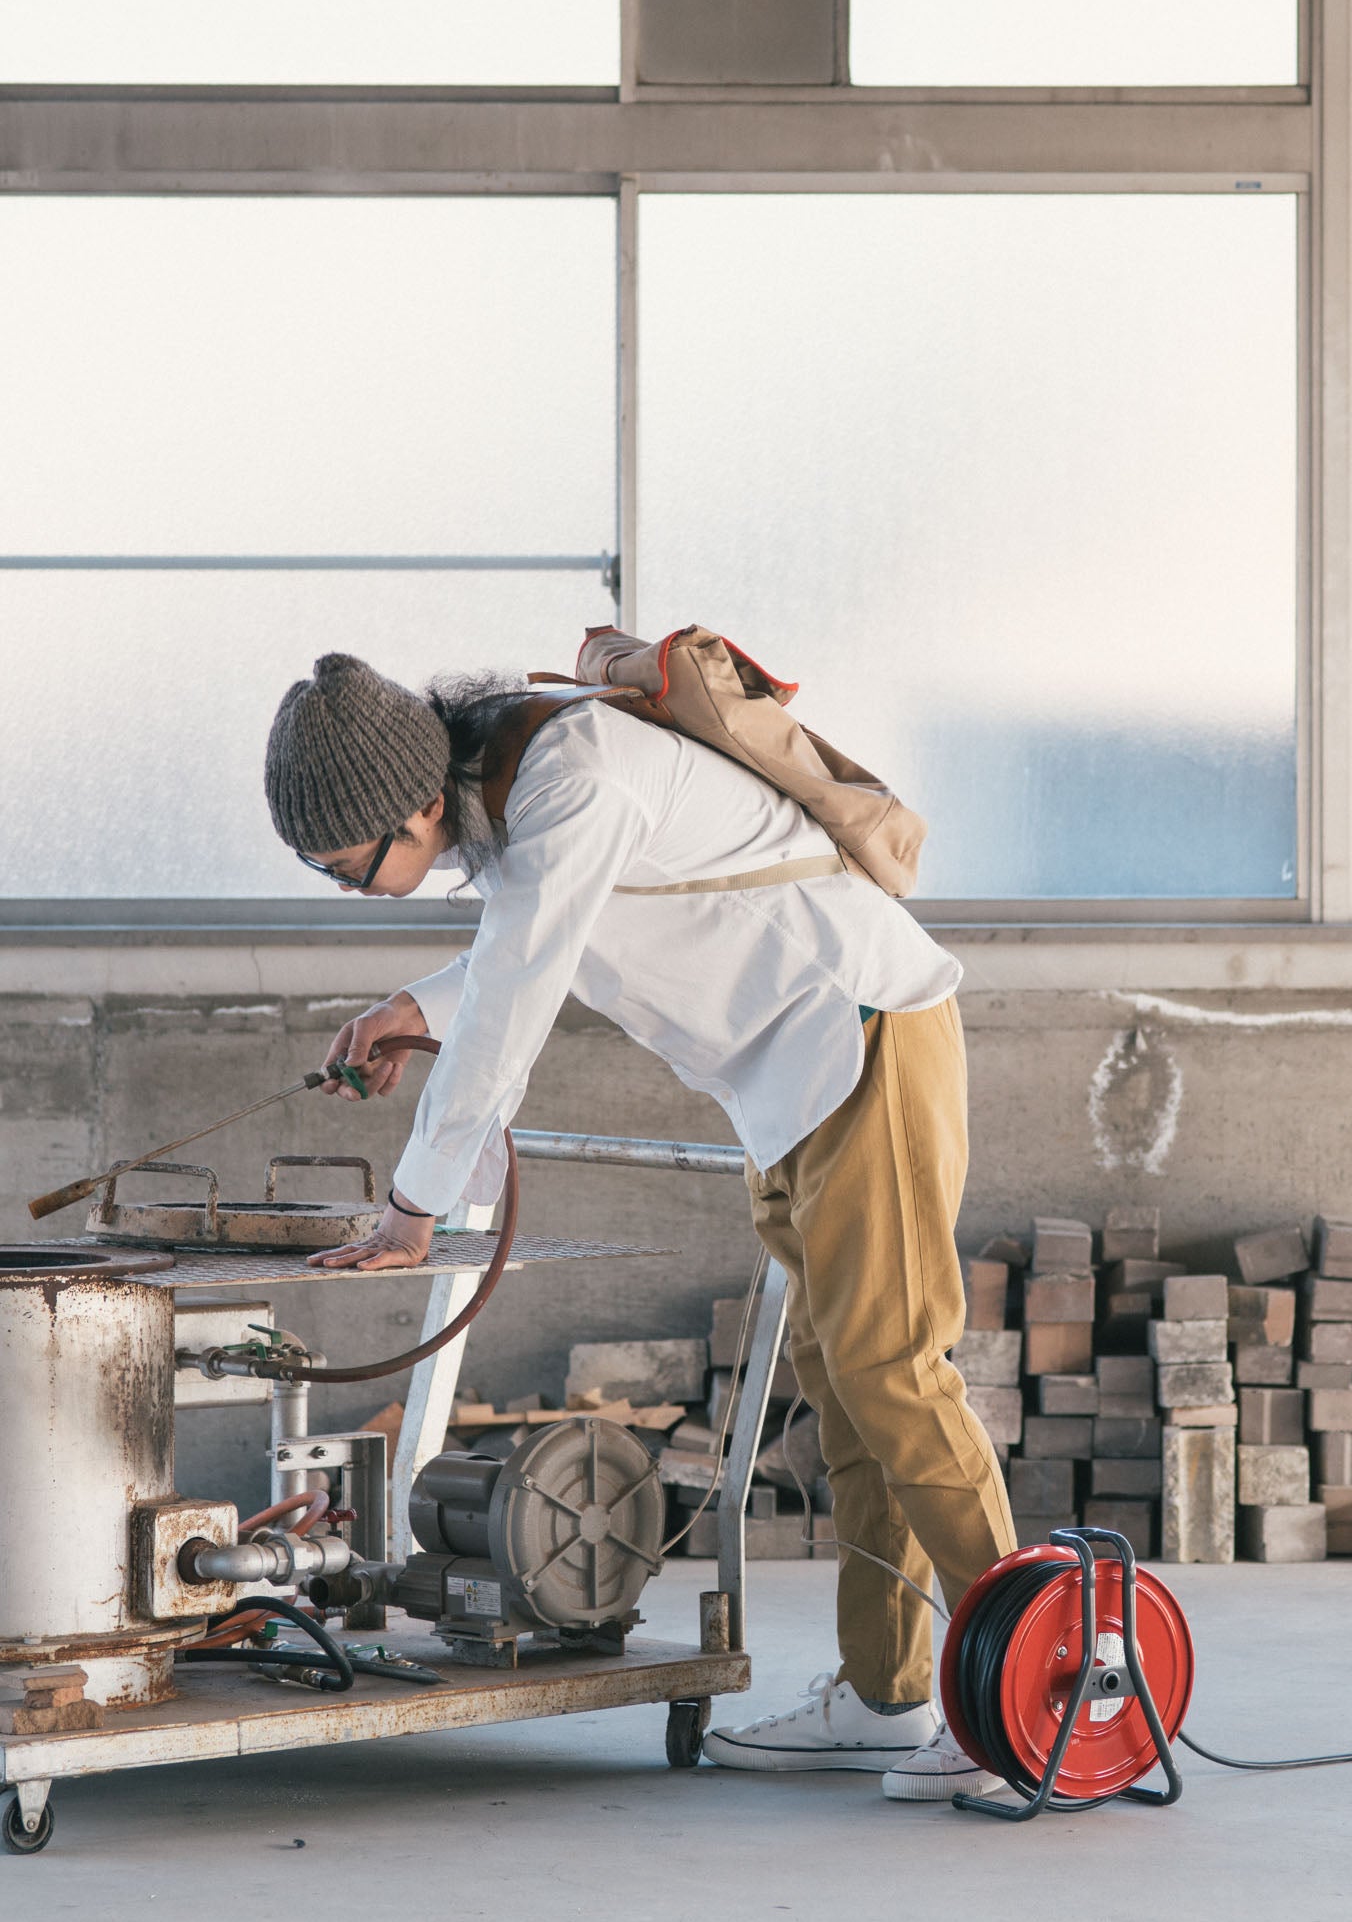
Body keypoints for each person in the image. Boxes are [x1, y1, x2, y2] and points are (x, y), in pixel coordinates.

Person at [262, 650, 1017, 1800]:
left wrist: (414, 1204)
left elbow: (519, 995)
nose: (348, 884)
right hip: (795, 1077)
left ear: (415, 803)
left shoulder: (569, 775)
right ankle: (887, 1695)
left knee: (894, 1372)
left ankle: (1041, 1691)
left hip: (861, 1040)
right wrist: (416, 1003)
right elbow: (532, 941)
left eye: (347, 864)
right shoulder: (506, 792)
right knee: (845, 1377)